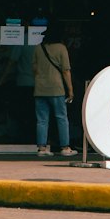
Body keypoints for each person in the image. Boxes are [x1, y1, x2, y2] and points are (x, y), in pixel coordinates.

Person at [32, 21, 77, 157]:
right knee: (61, 118)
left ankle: (42, 148)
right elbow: (66, 71)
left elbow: (34, 69)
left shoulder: (38, 48)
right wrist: (70, 90)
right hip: (56, 88)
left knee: (42, 119)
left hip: (40, 88)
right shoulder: (61, 48)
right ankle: (65, 147)